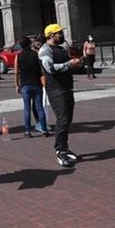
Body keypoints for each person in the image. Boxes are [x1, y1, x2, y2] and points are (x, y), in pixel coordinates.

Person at [40, 24, 82, 167]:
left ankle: (64, 147)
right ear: (51, 35)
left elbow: (64, 65)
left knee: (67, 119)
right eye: (59, 33)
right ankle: (60, 151)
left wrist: (75, 64)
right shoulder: (46, 50)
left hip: (66, 88)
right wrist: (69, 64)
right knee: (62, 120)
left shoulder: (60, 48)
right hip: (56, 90)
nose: (62, 35)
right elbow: (50, 68)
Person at [15, 37, 48, 137]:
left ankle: (28, 131)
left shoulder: (18, 56)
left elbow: (16, 72)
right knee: (39, 107)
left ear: (20, 45)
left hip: (25, 84)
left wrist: (17, 85)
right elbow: (41, 68)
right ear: (30, 44)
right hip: (36, 83)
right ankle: (44, 129)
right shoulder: (35, 54)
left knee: (27, 108)